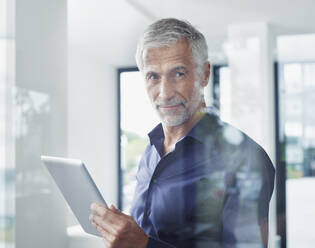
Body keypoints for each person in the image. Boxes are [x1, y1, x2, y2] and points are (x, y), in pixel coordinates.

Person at [89, 18, 275, 248]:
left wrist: (143, 245)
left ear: (204, 74)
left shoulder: (246, 158)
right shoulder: (151, 151)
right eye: (153, 76)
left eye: (178, 74)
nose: (165, 93)